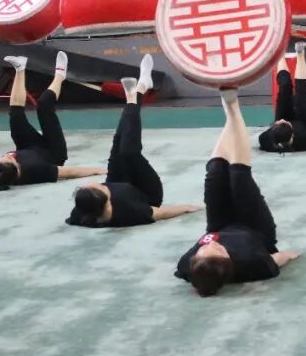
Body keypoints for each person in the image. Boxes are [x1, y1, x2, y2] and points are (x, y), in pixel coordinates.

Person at [175, 87, 301, 296]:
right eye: (218, 249)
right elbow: (277, 259)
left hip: (219, 224)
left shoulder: (187, 266)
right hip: (256, 229)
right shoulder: (253, 264)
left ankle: (231, 112)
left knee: (215, 172)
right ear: (228, 259)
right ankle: (233, 106)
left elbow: (200, 270)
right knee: (239, 176)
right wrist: (290, 255)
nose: (212, 245)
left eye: (203, 249)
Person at [66, 55, 203, 228]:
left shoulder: (81, 213)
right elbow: (159, 213)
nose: (91, 184)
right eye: (97, 187)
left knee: (119, 140)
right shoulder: (129, 211)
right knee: (129, 152)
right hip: (145, 190)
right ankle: (135, 95)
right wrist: (187, 208)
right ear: (107, 201)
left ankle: (138, 90)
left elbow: (78, 215)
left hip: (117, 180)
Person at [0, 52, 104, 190]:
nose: (5, 157)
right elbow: (69, 172)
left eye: (0, 160)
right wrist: (97, 170)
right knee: (44, 104)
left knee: (15, 115)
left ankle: (20, 68)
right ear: (18, 167)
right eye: (9, 159)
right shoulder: (36, 170)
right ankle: (60, 75)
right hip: (53, 151)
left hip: (28, 146)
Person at [258, 42, 306, 153]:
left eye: (278, 123)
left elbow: (269, 136)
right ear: (292, 136)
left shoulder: (266, 140)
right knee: (301, 98)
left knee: (284, 87)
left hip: (285, 130)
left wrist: (280, 124)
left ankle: (280, 55)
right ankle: (300, 54)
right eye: (284, 123)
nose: (281, 120)